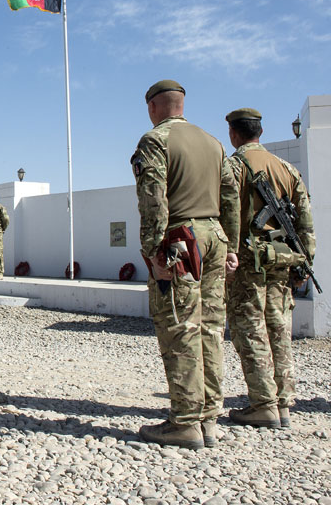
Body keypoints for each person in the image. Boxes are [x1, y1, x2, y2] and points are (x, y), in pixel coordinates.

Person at [131, 80, 239, 449]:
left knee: (179, 328)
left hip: (180, 240)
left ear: (153, 107)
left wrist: (152, 251)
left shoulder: (155, 140)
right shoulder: (214, 143)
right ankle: (209, 417)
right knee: (210, 329)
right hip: (214, 238)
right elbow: (230, 199)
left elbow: (153, 199)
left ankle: (185, 422)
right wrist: (232, 247)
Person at [224, 108, 316, 429]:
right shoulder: (288, 170)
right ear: (260, 133)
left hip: (249, 263)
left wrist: (227, 256)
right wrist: (305, 260)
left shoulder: (235, 166)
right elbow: (305, 222)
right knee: (279, 330)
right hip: (283, 261)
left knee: (250, 331)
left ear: (234, 133)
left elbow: (228, 215)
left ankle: (263, 403)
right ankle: (283, 403)